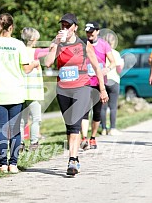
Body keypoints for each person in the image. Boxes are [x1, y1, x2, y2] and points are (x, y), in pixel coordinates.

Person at [45, 13, 108, 176]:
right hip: (63, 89)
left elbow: (97, 68)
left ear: (75, 28)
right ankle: (75, 158)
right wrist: (56, 43)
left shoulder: (84, 45)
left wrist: (102, 89)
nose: (65, 28)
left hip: (82, 88)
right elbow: (47, 62)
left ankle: (72, 159)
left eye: (68, 26)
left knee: (74, 124)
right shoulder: (57, 43)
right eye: (63, 25)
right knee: (69, 126)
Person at [0, 13, 40, 173]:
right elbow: (26, 69)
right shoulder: (18, 45)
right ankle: (13, 164)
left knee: (2, 128)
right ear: (11, 27)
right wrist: (35, 64)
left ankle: (2, 164)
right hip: (16, 93)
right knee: (15, 130)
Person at [81, 22, 116, 150]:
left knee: (97, 112)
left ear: (97, 31)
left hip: (99, 83)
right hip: (85, 82)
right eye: (87, 32)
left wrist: (107, 69)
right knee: (84, 111)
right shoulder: (82, 44)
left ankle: (93, 138)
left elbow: (113, 62)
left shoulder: (104, 45)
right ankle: (84, 138)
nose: (89, 34)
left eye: (91, 31)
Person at [20, 27, 49, 151]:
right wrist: (58, 42)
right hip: (33, 91)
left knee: (22, 121)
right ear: (32, 40)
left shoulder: (18, 51)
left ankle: (20, 144)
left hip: (21, 90)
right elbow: (49, 50)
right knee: (36, 118)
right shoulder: (35, 52)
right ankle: (34, 142)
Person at [100, 32, 124, 135]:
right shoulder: (115, 53)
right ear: (113, 42)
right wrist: (122, 64)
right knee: (113, 106)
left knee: (103, 107)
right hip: (114, 81)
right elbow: (119, 70)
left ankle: (104, 129)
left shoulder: (100, 53)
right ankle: (113, 129)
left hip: (103, 81)